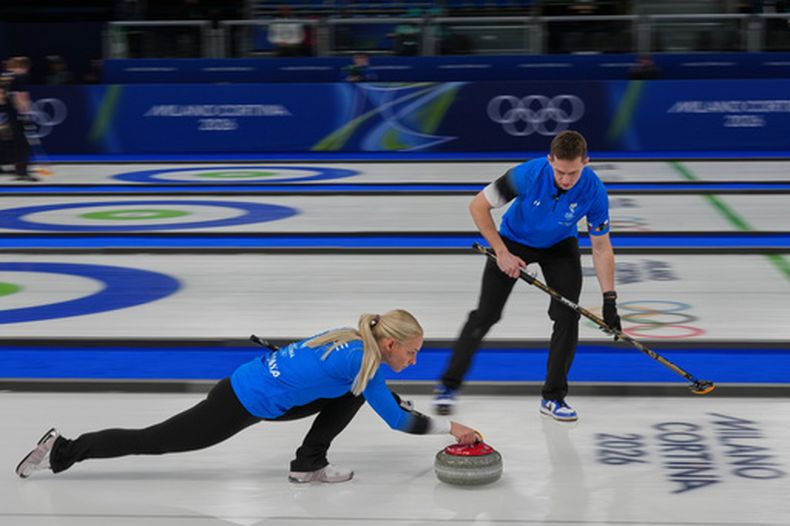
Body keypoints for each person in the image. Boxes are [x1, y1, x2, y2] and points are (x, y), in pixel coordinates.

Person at [16, 309, 482, 482]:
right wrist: (451, 426)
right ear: (390, 345)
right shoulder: (362, 364)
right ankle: (64, 450)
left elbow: (321, 370)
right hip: (241, 401)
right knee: (154, 438)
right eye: (413, 353)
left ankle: (309, 464)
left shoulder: (352, 339)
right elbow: (398, 421)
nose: (416, 361)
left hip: (257, 385)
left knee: (353, 395)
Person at [432, 130, 621, 422]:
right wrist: (502, 253)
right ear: (549, 160)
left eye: (573, 172)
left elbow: (600, 247)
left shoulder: (594, 191)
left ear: (586, 161)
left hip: (560, 247)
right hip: (512, 241)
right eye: (559, 171)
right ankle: (447, 385)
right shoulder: (527, 174)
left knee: (567, 317)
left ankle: (553, 397)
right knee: (486, 315)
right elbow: (478, 205)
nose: (566, 179)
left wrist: (610, 299)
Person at [1, 56, 37, 182]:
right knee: (23, 144)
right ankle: (22, 172)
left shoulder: (4, 76)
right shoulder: (20, 76)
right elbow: (20, 97)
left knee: (9, 142)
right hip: (14, 115)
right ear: (24, 67)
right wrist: (25, 114)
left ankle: (12, 169)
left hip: (4, 113)